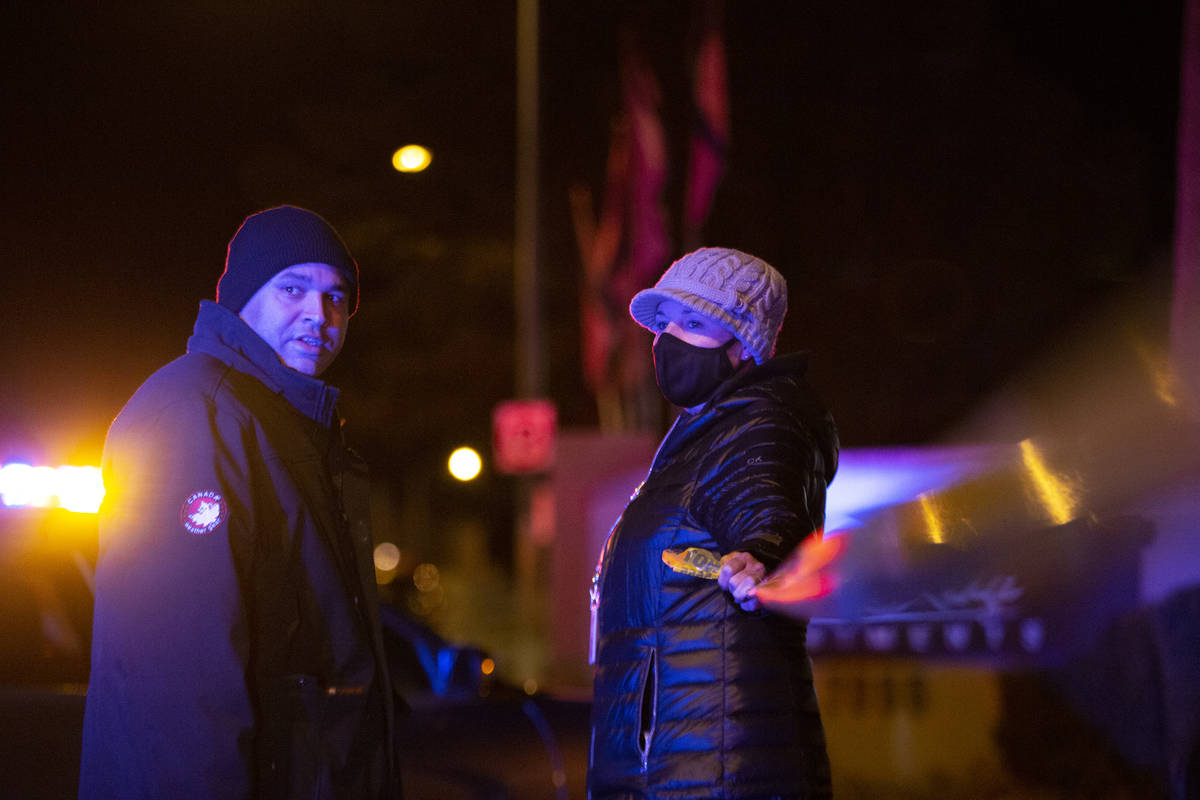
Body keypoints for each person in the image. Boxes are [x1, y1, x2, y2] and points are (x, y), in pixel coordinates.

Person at [80, 206, 400, 799]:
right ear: (242, 300)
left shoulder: (289, 424)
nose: (319, 315)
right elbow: (180, 677)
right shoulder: (195, 413)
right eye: (293, 289)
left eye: (337, 297)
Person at [587, 247, 838, 798]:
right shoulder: (699, 439)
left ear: (743, 345)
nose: (670, 337)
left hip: (713, 765)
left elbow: (769, 503)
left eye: (695, 323)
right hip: (676, 757)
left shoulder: (759, 422)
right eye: (666, 322)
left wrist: (763, 553)